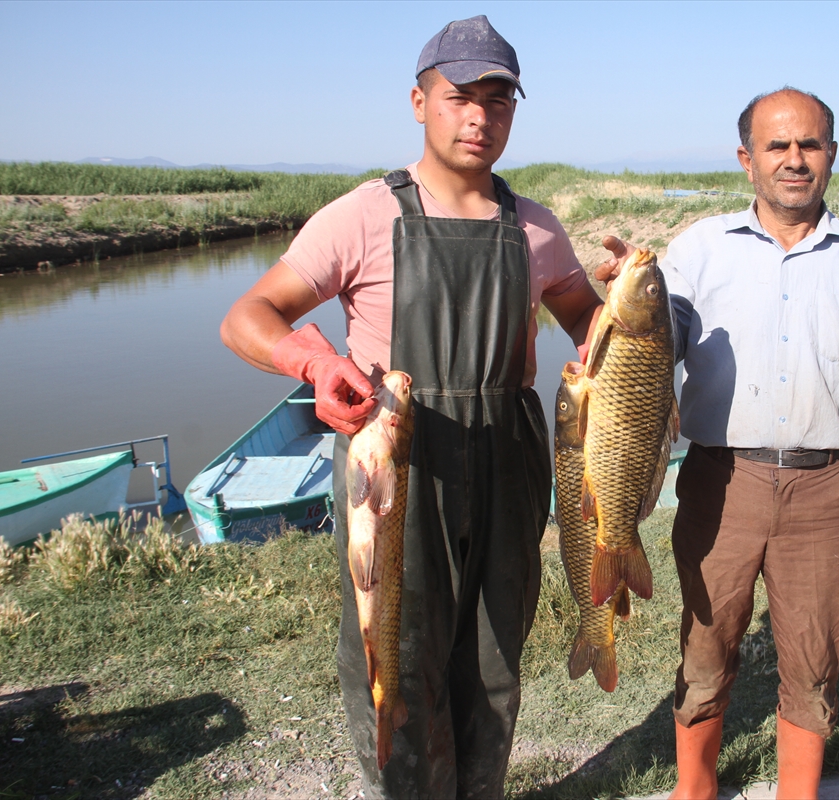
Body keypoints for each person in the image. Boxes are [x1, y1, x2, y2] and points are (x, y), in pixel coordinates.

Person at [220, 16, 602, 799]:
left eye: (499, 101)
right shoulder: (363, 215)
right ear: (419, 100)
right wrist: (317, 363)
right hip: (397, 469)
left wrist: (633, 321)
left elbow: (588, 325)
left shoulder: (534, 226)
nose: (479, 118)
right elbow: (247, 318)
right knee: (396, 657)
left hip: (510, 465)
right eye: (461, 96)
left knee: (494, 662)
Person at [596, 87, 839, 799]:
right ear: (747, 159)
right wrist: (634, 287)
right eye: (777, 146)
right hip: (721, 483)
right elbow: (654, 347)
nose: (794, 160)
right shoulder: (698, 249)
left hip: (825, 487)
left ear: (832, 157)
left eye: (809, 145)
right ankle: (695, 791)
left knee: (813, 656)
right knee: (706, 645)